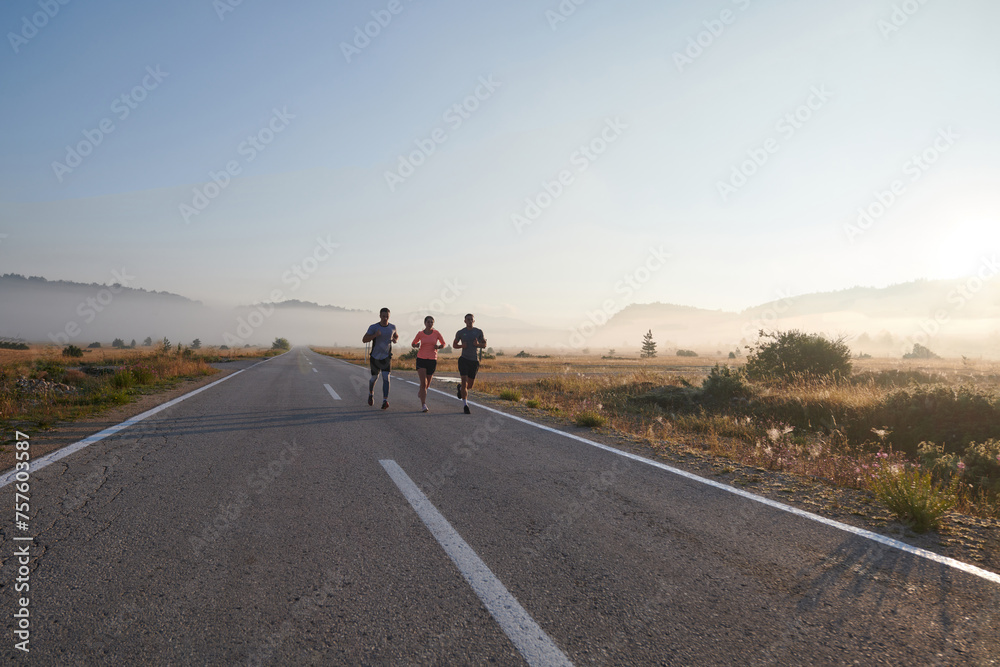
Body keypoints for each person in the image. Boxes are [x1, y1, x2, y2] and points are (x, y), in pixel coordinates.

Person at [362, 307, 398, 409]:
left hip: (386, 357)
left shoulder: (392, 327)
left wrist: (395, 339)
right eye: (383, 316)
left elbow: (396, 335)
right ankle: (371, 393)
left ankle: (385, 400)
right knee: (374, 378)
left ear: (389, 316)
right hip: (375, 357)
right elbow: (364, 339)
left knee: (386, 378)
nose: (385, 318)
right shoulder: (373, 327)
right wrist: (375, 335)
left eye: (387, 316)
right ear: (380, 316)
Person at [411, 315, 447, 412]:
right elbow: (413, 343)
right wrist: (416, 345)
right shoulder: (420, 333)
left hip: (432, 359)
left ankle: (421, 392)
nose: (430, 324)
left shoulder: (436, 333)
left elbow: (443, 343)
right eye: (428, 322)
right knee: (424, 383)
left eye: (431, 322)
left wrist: (439, 347)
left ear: (433, 324)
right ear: (425, 323)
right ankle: (423, 404)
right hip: (421, 358)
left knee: (427, 385)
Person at [453, 313, 486, 414]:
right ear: (465, 321)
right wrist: (462, 346)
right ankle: (465, 405)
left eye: (471, 319)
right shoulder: (460, 332)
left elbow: (484, 345)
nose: (470, 321)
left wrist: (477, 345)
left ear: (474, 321)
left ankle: (460, 389)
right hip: (464, 360)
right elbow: (454, 345)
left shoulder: (478, 332)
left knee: (469, 386)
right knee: (464, 381)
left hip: (474, 361)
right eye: (468, 319)